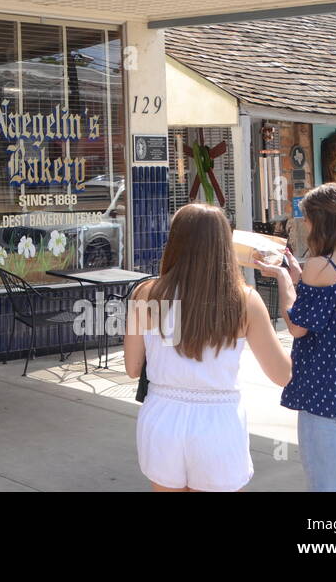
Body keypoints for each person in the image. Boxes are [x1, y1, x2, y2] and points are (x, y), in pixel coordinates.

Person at [124, 204, 292, 492]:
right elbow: (283, 375)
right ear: (225, 244)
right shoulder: (245, 301)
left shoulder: (146, 293)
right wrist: (288, 285)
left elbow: (131, 368)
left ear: (175, 240)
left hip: (163, 416)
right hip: (218, 422)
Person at [270, 183, 336, 492]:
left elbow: (297, 326)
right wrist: (300, 278)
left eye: (307, 218)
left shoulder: (319, 266)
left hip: (324, 394)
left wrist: (284, 281)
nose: (305, 224)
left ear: (319, 222)